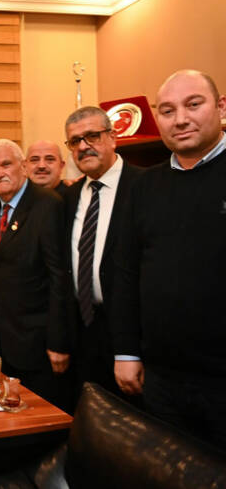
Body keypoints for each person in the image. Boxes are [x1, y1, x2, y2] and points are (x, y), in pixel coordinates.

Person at [111, 69, 226, 446]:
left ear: (221, 107)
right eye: (167, 110)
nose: (180, 119)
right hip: (161, 378)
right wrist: (126, 352)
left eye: (193, 105)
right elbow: (126, 272)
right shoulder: (144, 185)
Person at [0, 139, 71, 409]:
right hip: (3, 340)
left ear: (22, 166)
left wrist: (59, 342)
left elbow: (60, 279)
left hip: (40, 343)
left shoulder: (48, 205)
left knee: (43, 417)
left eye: (6, 165)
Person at [63, 107, 142, 399]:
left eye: (92, 136)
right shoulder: (69, 197)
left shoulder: (144, 186)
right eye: (75, 141)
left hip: (130, 336)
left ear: (113, 137)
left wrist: (130, 351)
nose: (84, 146)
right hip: (82, 333)